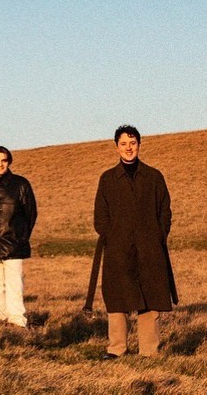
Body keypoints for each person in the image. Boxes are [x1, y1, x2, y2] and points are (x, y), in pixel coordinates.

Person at [93, 125, 177, 359]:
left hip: (150, 248)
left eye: (132, 143)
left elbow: (165, 211)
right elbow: (100, 215)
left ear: (139, 144)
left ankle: (149, 350)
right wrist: (110, 237)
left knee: (150, 296)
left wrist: (158, 235)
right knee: (117, 297)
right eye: (123, 144)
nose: (128, 148)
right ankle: (116, 348)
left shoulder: (154, 177)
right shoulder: (108, 179)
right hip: (118, 249)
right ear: (116, 147)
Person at [0, 146, 37, 328]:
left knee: (15, 284)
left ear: (9, 162)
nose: (0, 164)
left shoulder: (21, 184)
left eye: (3, 160)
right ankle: (2, 319)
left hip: (14, 243)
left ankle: (17, 321)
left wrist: (21, 236)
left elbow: (31, 213)